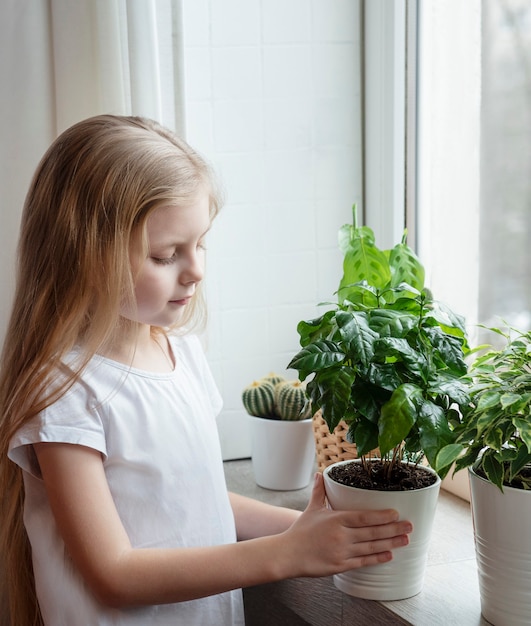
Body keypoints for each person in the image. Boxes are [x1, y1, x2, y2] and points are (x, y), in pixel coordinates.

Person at [0, 115, 413, 626]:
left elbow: (199, 504)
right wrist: (289, 553)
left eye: (201, 243)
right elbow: (114, 574)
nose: (196, 269)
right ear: (83, 256)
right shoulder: (66, 392)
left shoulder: (181, 354)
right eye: (167, 254)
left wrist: (312, 527)